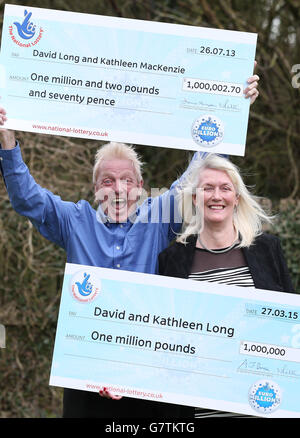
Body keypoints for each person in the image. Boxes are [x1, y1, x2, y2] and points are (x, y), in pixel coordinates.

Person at [0, 74, 259, 418]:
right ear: (95, 189)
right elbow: (28, 199)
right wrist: (6, 141)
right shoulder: (75, 221)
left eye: (126, 181)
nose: (117, 189)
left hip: (145, 372)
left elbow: (198, 172)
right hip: (86, 373)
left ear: (140, 187)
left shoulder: (159, 216)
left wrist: (233, 106)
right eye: (107, 181)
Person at [158, 153, 294, 417]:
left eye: (225, 188)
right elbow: (161, 337)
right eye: (207, 188)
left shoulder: (267, 249)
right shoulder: (171, 260)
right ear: (195, 198)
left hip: (263, 402)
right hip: (200, 408)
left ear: (237, 197)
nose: (216, 196)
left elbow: (290, 327)